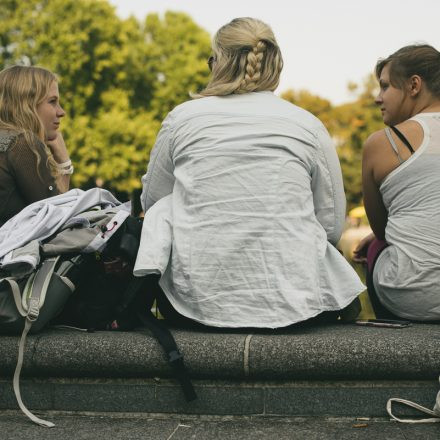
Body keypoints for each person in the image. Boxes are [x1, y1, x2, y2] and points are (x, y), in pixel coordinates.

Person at [138, 17, 364, 328]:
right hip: (295, 302)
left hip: (193, 303)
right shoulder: (306, 125)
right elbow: (331, 225)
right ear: (276, 65)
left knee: (168, 205)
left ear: (217, 64)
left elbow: (152, 204)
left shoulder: (182, 119)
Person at [353, 44, 440, 321]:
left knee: (377, 245)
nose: (378, 98)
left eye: (385, 87)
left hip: (411, 296)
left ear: (414, 85)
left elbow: (380, 229)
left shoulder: (383, 142)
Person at [0, 65, 72, 227]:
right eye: (52, 102)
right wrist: (64, 163)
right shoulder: (21, 143)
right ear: (26, 104)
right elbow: (55, 220)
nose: (61, 112)